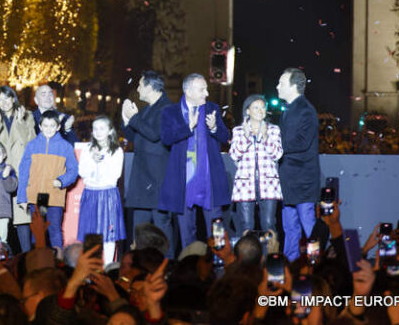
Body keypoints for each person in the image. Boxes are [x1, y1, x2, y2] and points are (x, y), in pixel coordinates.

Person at [159, 74, 230, 250]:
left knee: (216, 233)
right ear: (188, 91)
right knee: (186, 233)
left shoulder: (212, 109)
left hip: (209, 181)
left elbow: (225, 136)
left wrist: (214, 127)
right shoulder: (171, 112)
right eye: (202, 89)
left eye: (206, 89)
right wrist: (187, 127)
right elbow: (166, 139)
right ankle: (189, 268)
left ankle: (218, 266)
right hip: (184, 182)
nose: (206, 93)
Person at [121, 70, 173, 253]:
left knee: (161, 227)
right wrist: (126, 118)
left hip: (157, 178)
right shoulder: (148, 109)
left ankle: (167, 266)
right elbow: (133, 135)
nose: (137, 88)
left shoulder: (166, 108)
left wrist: (134, 118)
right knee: (139, 228)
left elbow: (153, 134)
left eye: (140, 85)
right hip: (142, 178)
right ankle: (140, 266)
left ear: (150, 87)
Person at [0, 85, 36, 251]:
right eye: (0, 100)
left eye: (7, 98)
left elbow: (31, 144)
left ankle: (27, 258)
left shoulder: (27, 116)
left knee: (22, 220)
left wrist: (20, 123)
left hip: (21, 173)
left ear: (13, 98)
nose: (4, 103)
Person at [17, 110, 79, 249]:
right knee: (37, 231)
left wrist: (62, 181)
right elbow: (23, 172)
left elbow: (74, 170)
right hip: (37, 196)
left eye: (52, 126)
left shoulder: (65, 147)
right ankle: (37, 262)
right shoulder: (32, 145)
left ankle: (59, 262)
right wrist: (22, 197)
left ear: (58, 127)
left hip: (54, 194)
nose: (49, 129)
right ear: (40, 126)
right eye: (45, 125)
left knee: (54, 230)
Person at [276, 67, 320, 261]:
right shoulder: (290, 110)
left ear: (293, 86)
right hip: (290, 178)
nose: (277, 87)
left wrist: (275, 145)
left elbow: (302, 142)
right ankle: (291, 262)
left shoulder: (306, 111)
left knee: (308, 225)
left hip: (302, 179)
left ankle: (316, 263)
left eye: (281, 83)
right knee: (290, 226)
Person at [229, 94, 283, 235]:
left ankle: (270, 255)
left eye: (262, 108)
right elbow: (234, 155)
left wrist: (265, 138)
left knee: (269, 224)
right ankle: (248, 256)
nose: (260, 111)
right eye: (256, 107)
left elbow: (277, 155)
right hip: (245, 184)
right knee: (246, 225)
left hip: (269, 184)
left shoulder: (273, 130)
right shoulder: (238, 131)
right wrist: (246, 137)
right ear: (248, 111)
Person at [77, 116, 126, 266]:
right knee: (90, 234)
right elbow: (82, 172)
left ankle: (109, 267)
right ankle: (91, 267)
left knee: (109, 235)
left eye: (102, 128)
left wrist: (101, 163)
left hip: (107, 195)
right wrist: (93, 162)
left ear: (110, 131)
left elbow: (114, 175)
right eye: (95, 128)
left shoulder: (116, 151)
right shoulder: (87, 149)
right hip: (91, 194)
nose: (98, 132)